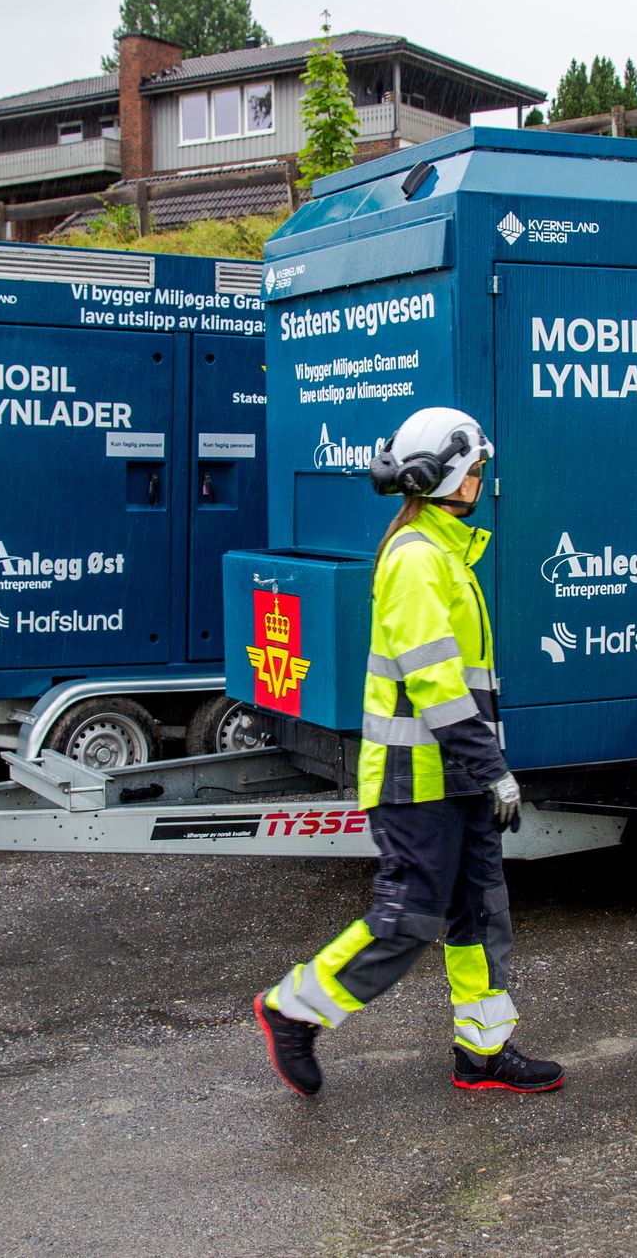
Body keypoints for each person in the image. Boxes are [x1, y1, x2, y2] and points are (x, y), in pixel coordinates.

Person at [252, 406, 563, 1097]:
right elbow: (436, 685)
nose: (483, 479)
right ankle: (294, 1008)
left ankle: (484, 1051)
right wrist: (494, 771)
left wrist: (483, 772)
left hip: (454, 775)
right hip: (417, 778)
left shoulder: (443, 552)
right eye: (477, 469)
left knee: (480, 913)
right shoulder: (419, 560)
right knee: (408, 917)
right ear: (452, 477)